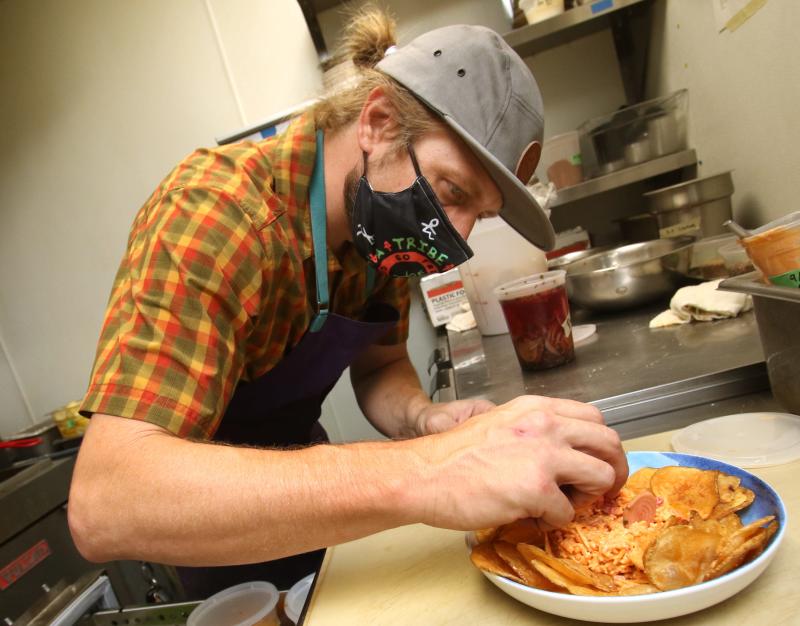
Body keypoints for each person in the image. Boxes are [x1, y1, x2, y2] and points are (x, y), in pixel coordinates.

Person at [67, 7, 627, 599]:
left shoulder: (381, 224)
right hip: (216, 539)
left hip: (327, 516)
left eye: (477, 216)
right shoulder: (216, 216)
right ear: (380, 123)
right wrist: (434, 466)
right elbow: (108, 502)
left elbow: (381, 366)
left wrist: (423, 418)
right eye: (453, 192)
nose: (454, 236)